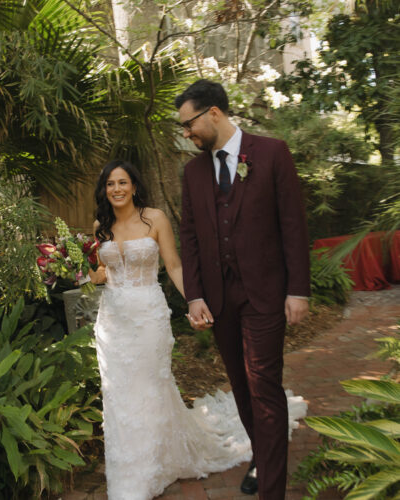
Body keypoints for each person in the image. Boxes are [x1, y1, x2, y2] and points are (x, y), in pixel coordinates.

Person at [89, 159, 307, 500]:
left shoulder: (155, 218)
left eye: (122, 182)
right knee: (120, 394)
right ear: (104, 190)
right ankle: (129, 468)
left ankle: (152, 464)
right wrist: (91, 273)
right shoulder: (99, 225)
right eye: (110, 184)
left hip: (147, 315)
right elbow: (99, 273)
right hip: (112, 322)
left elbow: (174, 265)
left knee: (150, 386)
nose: (116, 189)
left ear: (133, 185)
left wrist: (196, 300)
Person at [176, 79, 311, 499]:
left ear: (214, 112)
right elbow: (191, 237)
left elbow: (293, 224)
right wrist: (195, 296)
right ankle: (263, 456)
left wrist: (298, 289)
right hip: (218, 299)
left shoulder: (272, 153)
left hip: (266, 293)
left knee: (263, 385)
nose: (186, 133)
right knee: (240, 386)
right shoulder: (193, 172)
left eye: (189, 123)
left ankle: (272, 489)